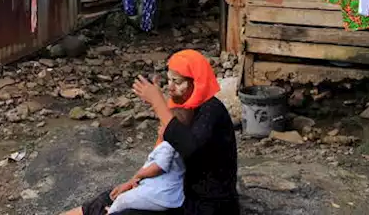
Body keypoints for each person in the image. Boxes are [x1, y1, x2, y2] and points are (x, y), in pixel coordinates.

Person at [133, 50, 240, 215]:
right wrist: (135, 180)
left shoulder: (211, 110)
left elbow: (191, 148)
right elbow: (162, 153)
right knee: (106, 200)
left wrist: (158, 103)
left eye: (177, 81)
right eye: (169, 80)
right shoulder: (184, 107)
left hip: (208, 206)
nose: (170, 87)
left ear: (196, 82)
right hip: (179, 195)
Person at [63, 109, 192, 215]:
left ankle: (110, 211)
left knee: (123, 199)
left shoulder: (168, 146)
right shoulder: (175, 145)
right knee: (112, 198)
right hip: (167, 195)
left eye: (162, 125)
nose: (158, 128)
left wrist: (139, 175)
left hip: (159, 195)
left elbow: (158, 167)